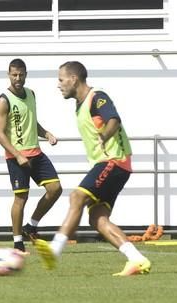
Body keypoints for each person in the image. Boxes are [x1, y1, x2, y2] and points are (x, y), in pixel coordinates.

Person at [35, 61, 151, 276]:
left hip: (113, 161)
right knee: (97, 218)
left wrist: (104, 136)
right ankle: (137, 259)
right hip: (114, 165)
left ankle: (55, 249)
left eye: (61, 80)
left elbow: (114, 120)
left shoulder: (97, 97)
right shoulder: (79, 105)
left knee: (76, 197)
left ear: (74, 79)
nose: (58, 85)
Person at [0, 58, 62, 252]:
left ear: (26, 74)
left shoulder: (31, 94)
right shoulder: (3, 100)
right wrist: (17, 155)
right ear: (8, 75)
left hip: (36, 152)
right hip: (17, 157)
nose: (18, 78)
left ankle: (30, 226)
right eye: (14, 75)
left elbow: (32, 122)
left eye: (21, 74)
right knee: (21, 198)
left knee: (55, 188)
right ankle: (17, 243)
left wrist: (46, 133)